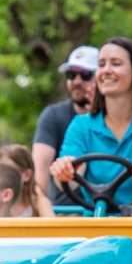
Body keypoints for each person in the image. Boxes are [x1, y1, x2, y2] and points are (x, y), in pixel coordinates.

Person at [49, 37, 132, 254]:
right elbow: (72, 174)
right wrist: (64, 171)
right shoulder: (82, 125)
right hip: (98, 239)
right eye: (101, 65)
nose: (106, 70)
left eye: (116, 64)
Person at [32, 45, 99, 205]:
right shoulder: (54, 115)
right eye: (71, 74)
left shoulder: (117, 119)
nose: (76, 81)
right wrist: (38, 208)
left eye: (85, 75)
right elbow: (40, 168)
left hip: (113, 211)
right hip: (68, 212)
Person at [0, 144, 55, 217]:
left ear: (27, 175)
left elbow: (54, 227)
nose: (2, 178)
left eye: (9, 172)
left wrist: (40, 198)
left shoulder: (37, 203)